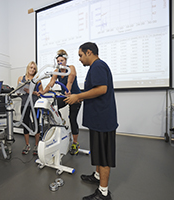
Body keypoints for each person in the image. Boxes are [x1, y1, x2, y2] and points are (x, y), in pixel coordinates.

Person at [65, 42, 118, 200]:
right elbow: (93, 90)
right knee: (98, 151)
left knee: (103, 155)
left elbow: (102, 89)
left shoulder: (98, 66)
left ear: (89, 52)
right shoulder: (95, 67)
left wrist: (78, 96)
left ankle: (103, 192)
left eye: (81, 55)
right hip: (98, 119)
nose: (80, 59)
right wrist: (76, 96)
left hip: (103, 121)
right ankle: (97, 176)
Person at [40, 49, 81, 155]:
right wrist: (42, 92)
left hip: (75, 96)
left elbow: (69, 82)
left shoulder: (71, 68)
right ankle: (61, 121)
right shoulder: (57, 71)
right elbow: (51, 83)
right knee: (53, 105)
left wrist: (67, 91)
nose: (60, 63)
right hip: (64, 95)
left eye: (61, 60)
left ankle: (75, 143)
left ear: (65, 60)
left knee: (72, 118)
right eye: (58, 61)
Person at [17, 61, 43, 155]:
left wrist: (37, 92)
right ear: (28, 68)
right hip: (25, 104)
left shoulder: (37, 79)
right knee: (25, 123)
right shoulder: (21, 78)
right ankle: (27, 145)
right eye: (31, 67)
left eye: (34, 68)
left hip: (35, 104)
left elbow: (41, 90)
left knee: (36, 122)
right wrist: (21, 91)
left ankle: (36, 145)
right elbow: (18, 90)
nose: (32, 69)